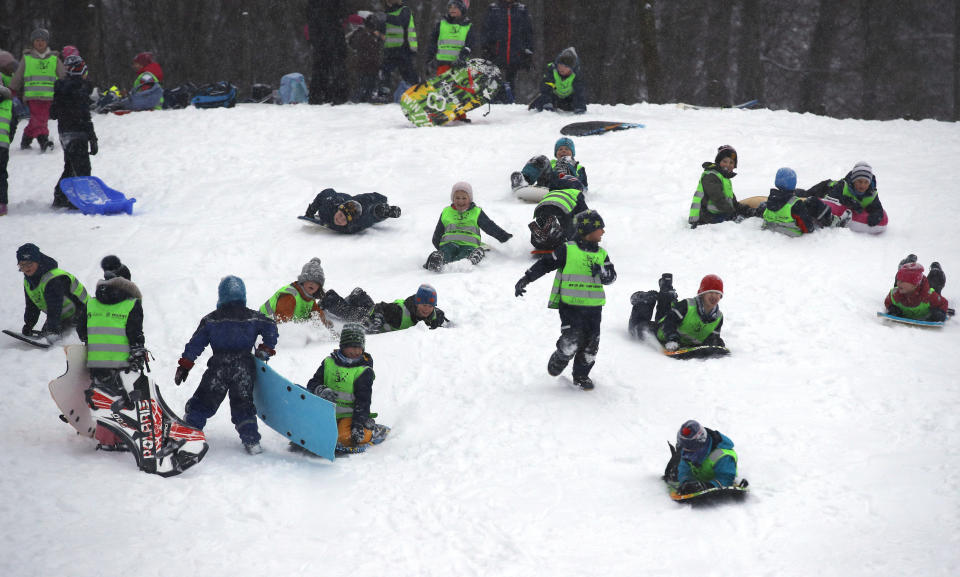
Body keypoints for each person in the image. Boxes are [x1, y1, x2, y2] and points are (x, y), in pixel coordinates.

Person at [174, 276, 279, 455]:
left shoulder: (212, 320)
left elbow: (196, 343)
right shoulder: (253, 317)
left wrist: (185, 364)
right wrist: (266, 349)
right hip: (244, 369)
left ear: (221, 296)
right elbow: (271, 326)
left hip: (218, 369)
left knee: (204, 400)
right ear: (243, 295)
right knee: (243, 404)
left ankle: (189, 432)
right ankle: (252, 442)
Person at [514, 210, 616, 390]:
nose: (603, 232)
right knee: (573, 339)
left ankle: (581, 375)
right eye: (600, 228)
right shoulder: (568, 249)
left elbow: (612, 277)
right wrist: (526, 278)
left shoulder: (602, 254)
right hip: (571, 306)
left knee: (591, 345)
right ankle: (562, 355)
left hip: (594, 309)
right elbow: (545, 264)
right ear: (588, 230)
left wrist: (603, 272)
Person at [77, 269, 146, 449]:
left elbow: (81, 330)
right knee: (124, 400)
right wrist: (138, 353)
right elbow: (135, 334)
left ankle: (106, 440)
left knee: (103, 400)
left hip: (97, 362)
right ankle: (123, 438)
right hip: (123, 363)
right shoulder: (131, 304)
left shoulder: (91, 303)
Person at [305, 323, 389, 451]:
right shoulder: (329, 363)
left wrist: (357, 424)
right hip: (326, 412)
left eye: (359, 348)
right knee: (312, 429)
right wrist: (320, 390)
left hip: (350, 416)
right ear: (343, 346)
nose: (356, 351)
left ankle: (371, 430)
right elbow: (312, 383)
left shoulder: (363, 371)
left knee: (344, 438)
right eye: (352, 347)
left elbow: (363, 401)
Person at [425, 181, 513, 271]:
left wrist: (503, 236)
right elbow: (438, 233)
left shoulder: (476, 212)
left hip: (469, 245)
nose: (460, 201)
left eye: (464, 198)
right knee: (446, 253)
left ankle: (469, 260)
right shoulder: (446, 212)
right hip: (449, 244)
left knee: (464, 255)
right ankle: (437, 260)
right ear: (453, 198)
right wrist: (440, 248)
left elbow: (489, 226)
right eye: (457, 198)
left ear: (470, 198)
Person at [628, 273, 725, 351]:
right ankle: (644, 301)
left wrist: (716, 343)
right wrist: (672, 338)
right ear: (702, 294)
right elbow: (668, 322)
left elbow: (712, 337)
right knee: (637, 329)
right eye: (711, 292)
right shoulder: (687, 306)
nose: (714, 296)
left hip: (673, 326)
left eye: (718, 294)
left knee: (667, 307)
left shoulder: (718, 317)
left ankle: (666, 290)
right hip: (660, 330)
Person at [49, 55, 98, 209]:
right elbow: (85, 116)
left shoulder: (60, 89)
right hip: (78, 133)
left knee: (70, 166)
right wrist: (92, 138)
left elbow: (53, 113)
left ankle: (60, 196)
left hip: (64, 133)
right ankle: (80, 200)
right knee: (83, 168)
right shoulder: (80, 89)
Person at [17, 243, 88, 344]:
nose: (26, 268)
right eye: (22, 265)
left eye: (29, 264)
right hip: (63, 315)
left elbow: (54, 307)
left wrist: (52, 330)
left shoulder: (53, 279)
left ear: (38, 261)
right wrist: (29, 324)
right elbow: (31, 305)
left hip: (82, 312)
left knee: (60, 332)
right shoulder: (28, 282)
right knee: (47, 333)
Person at [11, 28, 64, 152]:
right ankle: (43, 140)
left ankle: (27, 138)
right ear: (33, 43)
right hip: (32, 96)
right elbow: (18, 75)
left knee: (39, 119)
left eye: (42, 41)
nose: (40, 43)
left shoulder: (54, 59)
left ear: (47, 42)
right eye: (37, 40)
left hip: (49, 96)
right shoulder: (27, 58)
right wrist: (12, 89)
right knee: (40, 119)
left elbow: (62, 76)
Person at [428, 0, 478, 122]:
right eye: (450, 7)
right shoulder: (441, 24)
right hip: (443, 63)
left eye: (455, 7)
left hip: (459, 65)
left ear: (462, 10)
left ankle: (460, 115)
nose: (452, 9)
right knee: (442, 90)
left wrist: (463, 55)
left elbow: (471, 44)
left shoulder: (468, 26)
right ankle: (436, 115)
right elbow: (432, 42)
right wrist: (429, 59)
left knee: (460, 91)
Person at [689, 145, 759, 227]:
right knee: (740, 222)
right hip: (704, 218)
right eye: (724, 161)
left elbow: (733, 204)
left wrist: (749, 210)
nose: (728, 165)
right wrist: (733, 213)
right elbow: (717, 199)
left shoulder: (724, 179)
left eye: (731, 162)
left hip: (715, 215)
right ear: (718, 162)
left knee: (743, 216)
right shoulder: (711, 175)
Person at [761, 167, 843, 236]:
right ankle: (831, 220)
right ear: (793, 183)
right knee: (813, 202)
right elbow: (808, 229)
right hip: (790, 234)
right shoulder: (795, 204)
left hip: (771, 229)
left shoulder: (771, 199)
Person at [805, 161, 886, 230]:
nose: (863, 185)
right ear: (854, 180)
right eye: (859, 181)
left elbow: (878, 209)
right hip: (825, 188)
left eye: (866, 182)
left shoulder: (872, 195)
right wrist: (852, 203)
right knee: (805, 195)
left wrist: (875, 217)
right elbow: (831, 199)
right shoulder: (843, 186)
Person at [666, 420, 739, 495]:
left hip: (717, 481)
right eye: (684, 446)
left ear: (699, 443)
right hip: (699, 477)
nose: (686, 452)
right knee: (673, 470)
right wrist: (686, 482)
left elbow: (726, 478)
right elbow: (684, 469)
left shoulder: (722, 455)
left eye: (689, 446)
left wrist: (708, 486)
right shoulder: (687, 452)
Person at [482, 0, 534, 104]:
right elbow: (486, 29)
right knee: (494, 78)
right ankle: (494, 101)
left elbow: (528, 31)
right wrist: (486, 47)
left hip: (515, 51)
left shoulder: (522, 9)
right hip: (497, 51)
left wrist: (528, 50)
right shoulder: (493, 8)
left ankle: (510, 102)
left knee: (511, 80)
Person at [340, 283, 448, 333]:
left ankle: (359, 295)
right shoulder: (399, 313)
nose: (427, 309)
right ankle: (329, 299)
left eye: (430, 306)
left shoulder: (434, 315)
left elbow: (440, 315)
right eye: (424, 305)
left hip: (376, 316)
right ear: (417, 303)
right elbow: (379, 307)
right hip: (367, 316)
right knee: (347, 313)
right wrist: (377, 317)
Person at [260, 257, 333, 326]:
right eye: (309, 279)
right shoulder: (290, 296)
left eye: (316, 282)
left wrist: (325, 324)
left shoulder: (309, 299)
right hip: (261, 324)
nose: (312, 284)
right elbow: (282, 326)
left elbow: (317, 314)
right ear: (303, 280)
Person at [528, 173, 589, 253]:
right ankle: (554, 232)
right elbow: (585, 214)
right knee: (571, 229)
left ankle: (541, 236)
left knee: (543, 224)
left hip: (541, 208)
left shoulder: (552, 192)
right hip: (561, 209)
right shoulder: (576, 193)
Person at [303, 188, 401, 233]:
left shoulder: (354, 225)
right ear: (338, 210)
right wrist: (311, 210)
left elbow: (370, 217)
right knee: (362, 199)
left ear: (349, 221)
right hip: (344, 199)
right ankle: (380, 199)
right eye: (340, 215)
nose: (339, 219)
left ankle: (382, 202)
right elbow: (326, 192)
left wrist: (381, 213)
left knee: (368, 204)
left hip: (355, 205)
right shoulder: (329, 205)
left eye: (344, 219)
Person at [511, 137, 588, 191]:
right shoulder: (550, 163)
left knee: (565, 160)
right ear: (556, 153)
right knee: (541, 159)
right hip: (549, 185)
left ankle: (563, 181)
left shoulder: (579, 168)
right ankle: (523, 181)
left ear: (572, 153)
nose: (563, 151)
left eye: (567, 149)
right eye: (560, 149)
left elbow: (584, 188)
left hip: (568, 186)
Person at [377, 0, 419, 102]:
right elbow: (383, 31)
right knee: (384, 72)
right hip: (390, 49)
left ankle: (418, 94)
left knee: (408, 74)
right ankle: (382, 95)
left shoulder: (405, 10)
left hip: (404, 48)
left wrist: (386, 18)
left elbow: (401, 21)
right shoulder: (387, 13)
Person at [884, 258, 949, 322]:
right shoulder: (895, 293)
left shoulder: (929, 296)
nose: (899, 283)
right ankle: (907, 263)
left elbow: (944, 303)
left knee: (935, 280)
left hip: (922, 291)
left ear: (914, 285)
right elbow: (888, 302)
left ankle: (935, 268)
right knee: (900, 281)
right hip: (906, 288)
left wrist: (941, 312)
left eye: (903, 281)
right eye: (898, 280)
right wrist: (891, 308)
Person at [528, 47, 586, 114]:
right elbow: (546, 87)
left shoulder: (576, 75)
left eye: (566, 66)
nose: (562, 68)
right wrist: (547, 103)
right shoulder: (552, 70)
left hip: (569, 99)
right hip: (554, 97)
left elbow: (579, 92)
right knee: (542, 101)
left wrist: (580, 107)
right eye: (560, 65)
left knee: (572, 106)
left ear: (571, 68)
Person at [348, 14, 383, 103]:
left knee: (364, 85)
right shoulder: (368, 35)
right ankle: (363, 98)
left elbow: (353, 45)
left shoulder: (360, 34)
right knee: (365, 86)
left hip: (364, 65)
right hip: (369, 65)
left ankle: (362, 98)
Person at [0, 71, 12, 216]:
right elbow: (13, 123)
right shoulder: (9, 102)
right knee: (1, 174)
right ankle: (2, 203)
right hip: (2, 144)